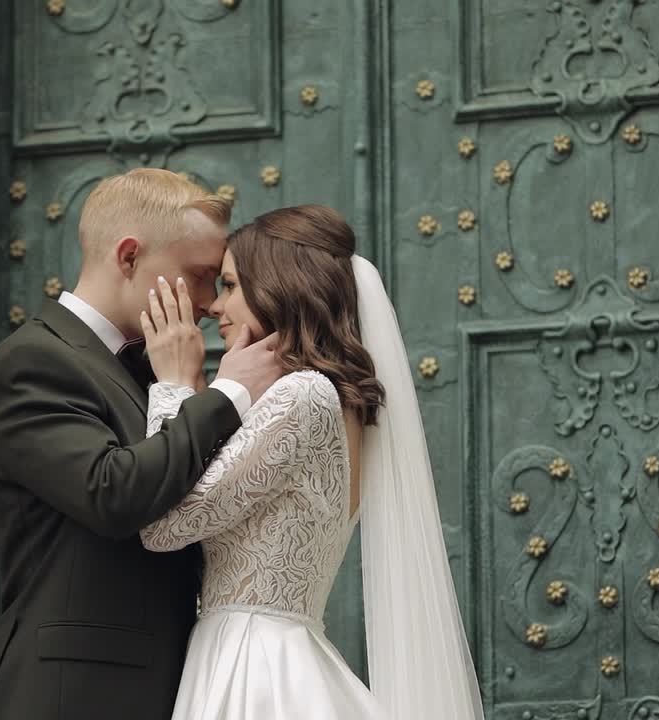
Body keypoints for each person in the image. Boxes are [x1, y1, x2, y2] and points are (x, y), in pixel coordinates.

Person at [138, 204, 485, 719]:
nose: (215, 306)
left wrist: (170, 387)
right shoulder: (331, 401)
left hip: (252, 668)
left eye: (231, 285)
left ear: (279, 287)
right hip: (272, 649)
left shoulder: (302, 397)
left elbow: (162, 527)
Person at [0, 168, 284, 720]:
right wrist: (227, 394)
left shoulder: (155, 367)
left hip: (170, 683)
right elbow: (111, 493)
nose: (210, 303)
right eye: (200, 275)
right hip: (73, 692)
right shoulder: (34, 360)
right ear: (130, 256)